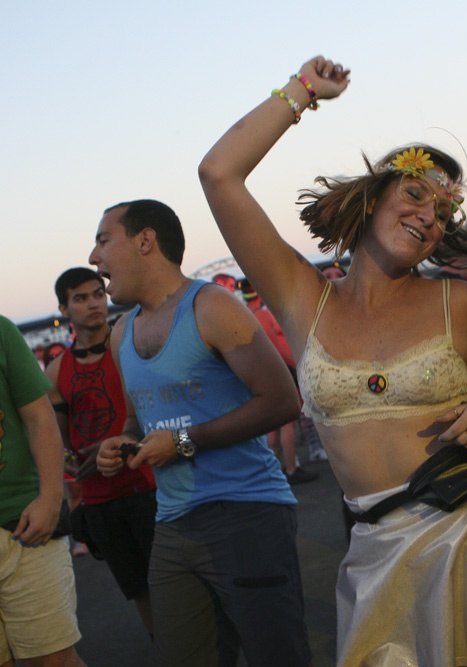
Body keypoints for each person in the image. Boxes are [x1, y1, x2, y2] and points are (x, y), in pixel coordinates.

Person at [197, 56, 467, 665]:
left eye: (443, 211)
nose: (429, 216)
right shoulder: (303, 299)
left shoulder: (457, 301)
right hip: (375, 549)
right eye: (417, 192)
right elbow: (219, 174)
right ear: (375, 195)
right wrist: (302, 93)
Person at [91, 199, 311, 666]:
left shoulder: (211, 306)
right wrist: (120, 445)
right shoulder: (120, 334)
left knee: (278, 656)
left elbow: (283, 400)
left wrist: (185, 441)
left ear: (145, 241)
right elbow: (137, 423)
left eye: (103, 240)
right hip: (172, 525)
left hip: (247, 512)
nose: (94, 258)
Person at [44, 268, 157, 635]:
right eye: (81, 298)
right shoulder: (56, 370)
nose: (94, 303)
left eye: (97, 294)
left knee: (177, 583)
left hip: (149, 484)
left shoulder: (132, 343)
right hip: (99, 500)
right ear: (64, 307)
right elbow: (63, 443)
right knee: (138, 590)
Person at [0, 314, 86, 667]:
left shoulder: (2, 331)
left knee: (55, 661)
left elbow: (39, 417)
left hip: (22, 525)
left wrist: (51, 499)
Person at [239, 279, 317, 485]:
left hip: (253, 375)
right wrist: (298, 365)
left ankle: (273, 471)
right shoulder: (264, 315)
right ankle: (291, 469)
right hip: (275, 372)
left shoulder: (240, 316)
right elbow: (276, 349)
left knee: (270, 426)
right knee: (287, 423)